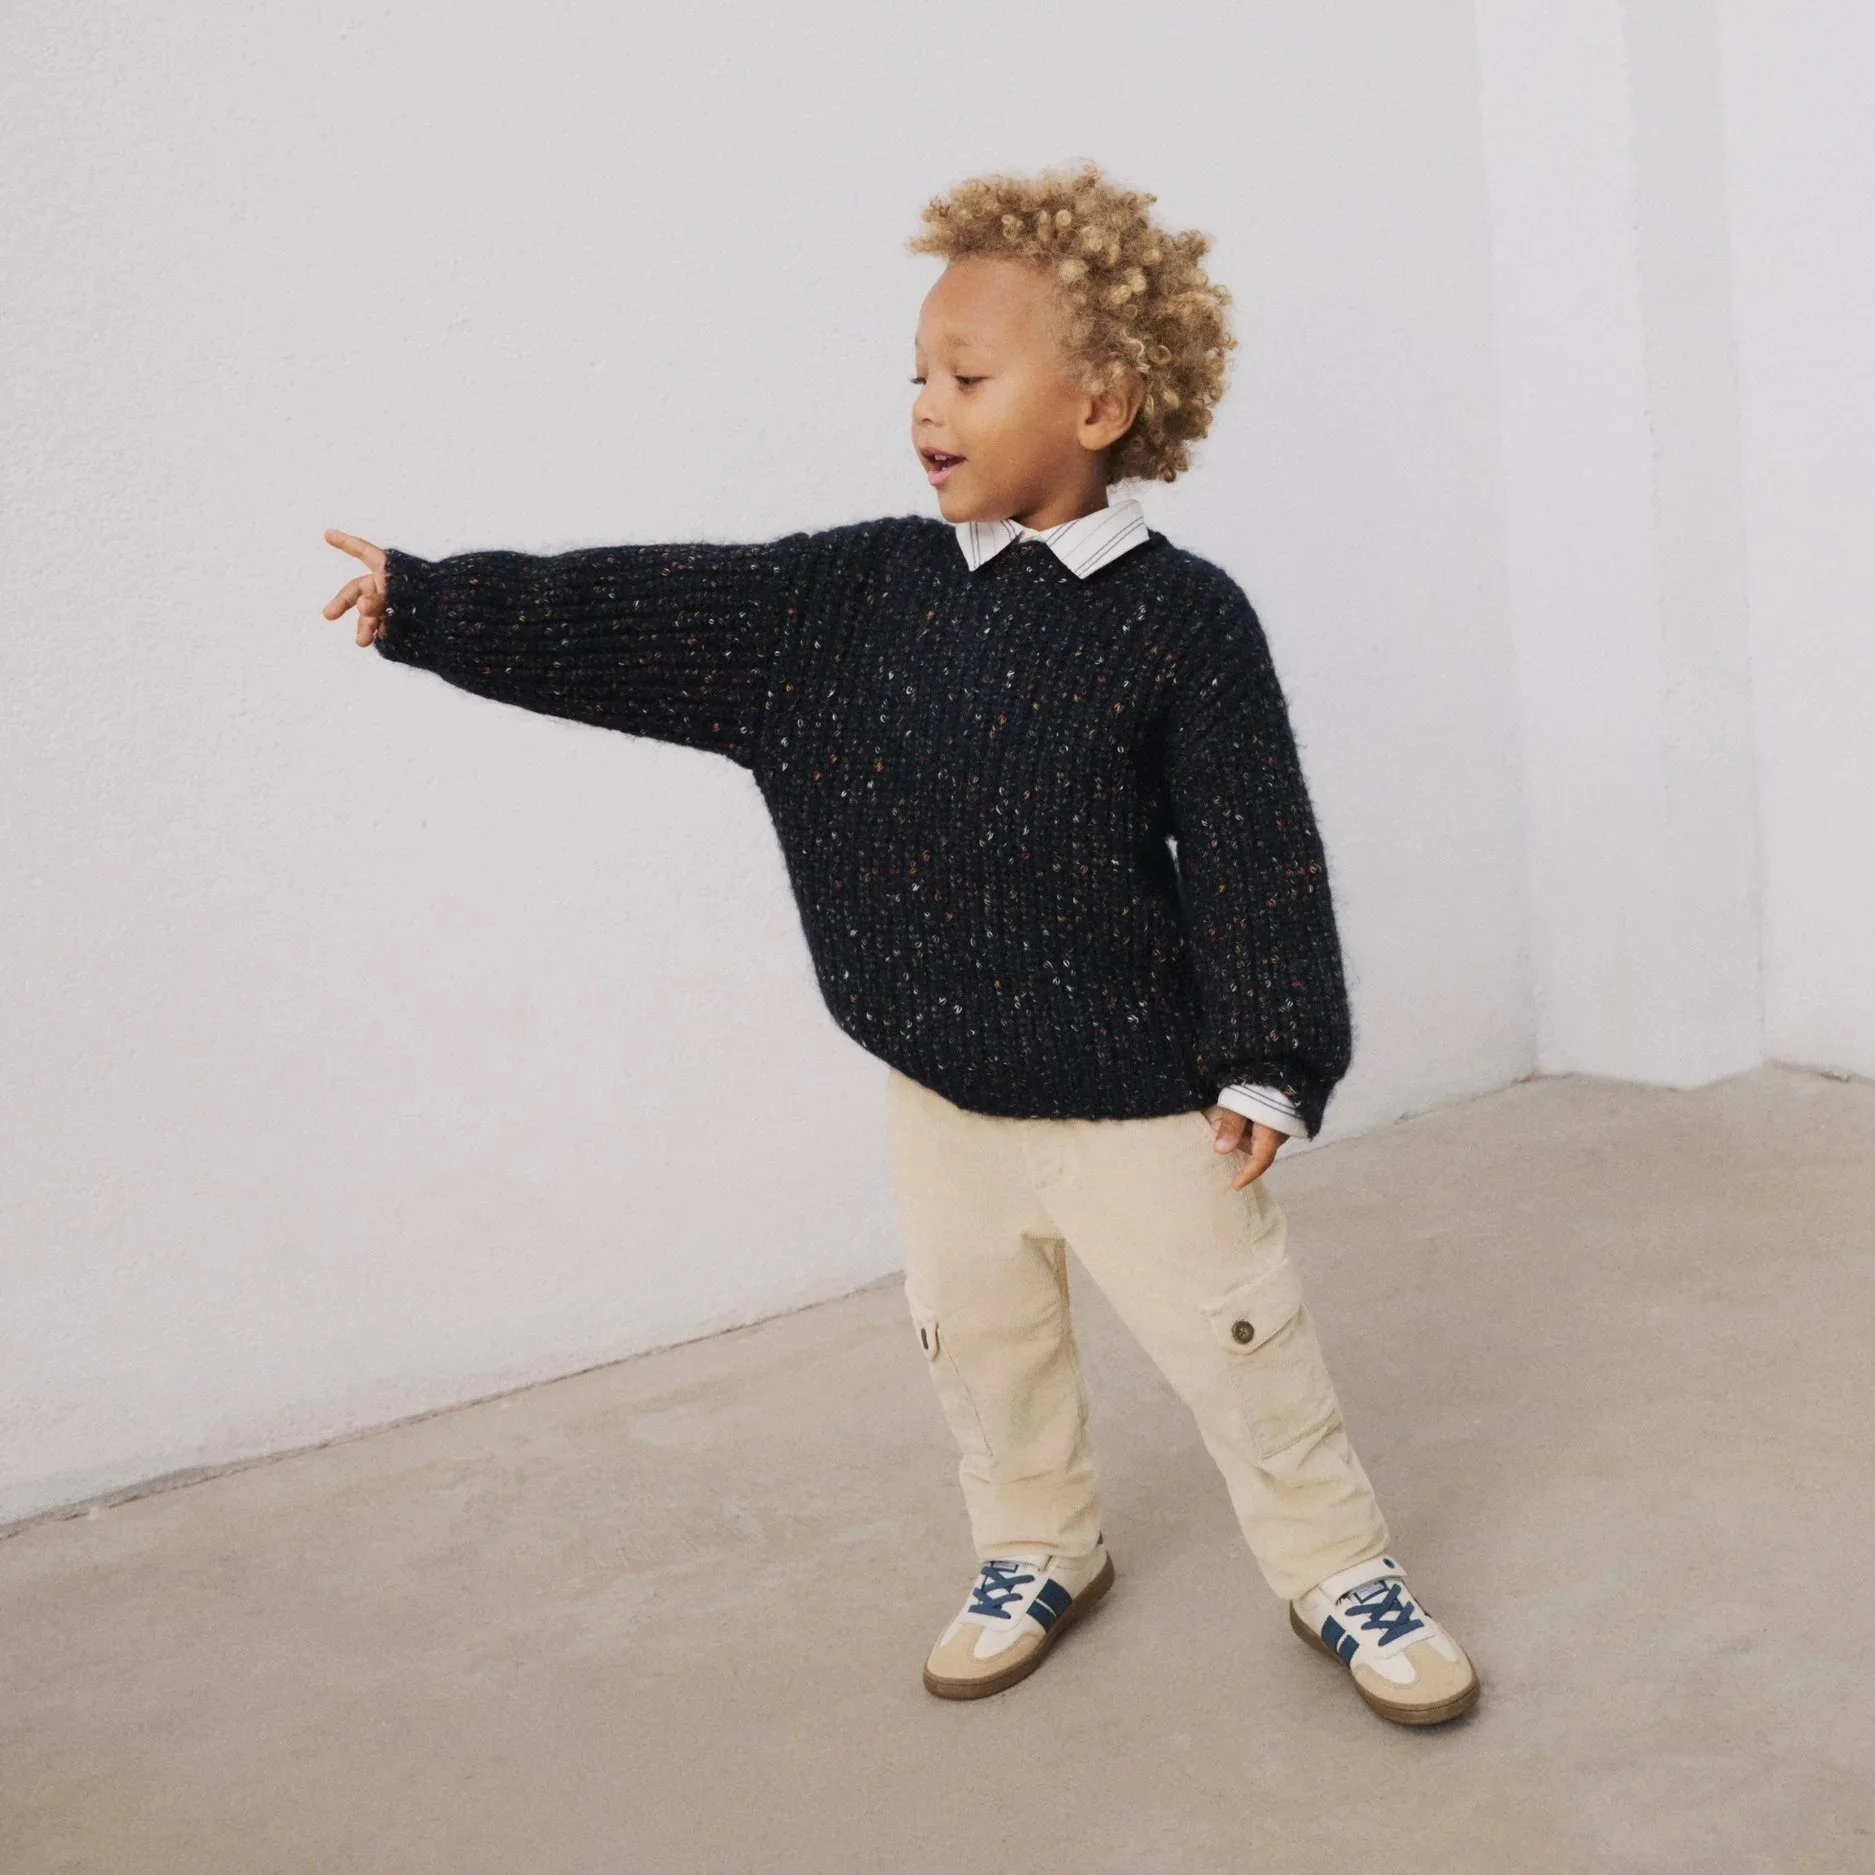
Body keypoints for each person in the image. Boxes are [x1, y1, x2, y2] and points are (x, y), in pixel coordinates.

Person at [322, 160, 1478, 1727]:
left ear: (1098, 405)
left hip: (1144, 1103)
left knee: (1238, 1345)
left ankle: (1334, 1563)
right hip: (937, 1092)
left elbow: (1252, 849)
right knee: (981, 1350)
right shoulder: (846, 598)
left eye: (967, 377)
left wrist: (1268, 1058)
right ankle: (1036, 1545)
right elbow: (644, 613)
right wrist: (434, 604)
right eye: (916, 375)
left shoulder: (1182, 621)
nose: (925, 405)